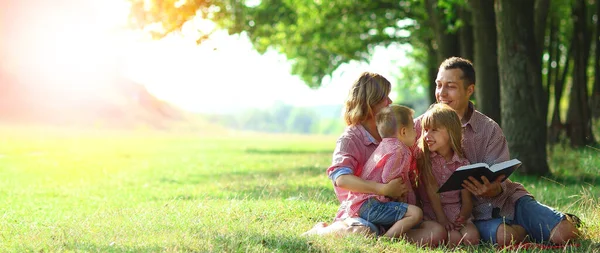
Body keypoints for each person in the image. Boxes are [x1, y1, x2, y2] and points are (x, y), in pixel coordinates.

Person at [414, 57, 580, 246]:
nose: (441, 93)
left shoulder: (488, 129)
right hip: (473, 217)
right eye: (438, 85)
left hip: (507, 201)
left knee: (566, 234)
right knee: (505, 238)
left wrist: (494, 188)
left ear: (470, 90)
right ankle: (524, 230)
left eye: (450, 86)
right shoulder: (420, 127)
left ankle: (555, 220)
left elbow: (499, 177)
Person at [303, 72, 446, 247]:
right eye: (385, 97)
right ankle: (323, 231)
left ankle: (382, 240)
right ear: (370, 103)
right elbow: (341, 179)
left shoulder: (395, 132)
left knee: (436, 232)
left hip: (395, 212)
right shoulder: (350, 138)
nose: (390, 102)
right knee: (362, 231)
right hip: (363, 214)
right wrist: (383, 189)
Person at [342, 105, 422, 238]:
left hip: (363, 203)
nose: (416, 132)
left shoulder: (385, 145)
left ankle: (387, 233)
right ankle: (386, 240)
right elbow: (388, 178)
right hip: (372, 205)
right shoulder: (398, 150)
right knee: (416, 213)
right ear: (403, 132)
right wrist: (400, 191)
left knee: (411, 215)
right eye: (413, 128)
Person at [417, 103, 479, 246]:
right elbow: (432, 193)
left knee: (472, 236)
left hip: (456, 212)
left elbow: (467, 199)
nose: (427, 135)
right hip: (434, 214)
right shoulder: (426, 160)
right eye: (425, 130)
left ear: (451, 132)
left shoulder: (462, 164)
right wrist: (442, 219)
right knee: (454, 239)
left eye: (434, 130)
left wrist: (463, 216)